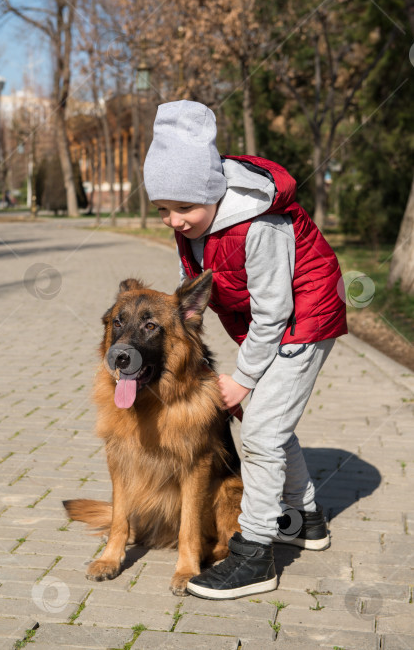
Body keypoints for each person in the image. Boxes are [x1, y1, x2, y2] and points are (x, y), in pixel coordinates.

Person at [143, 100, 347, 600]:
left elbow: (276, 312)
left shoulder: (260, 225)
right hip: (269, 325)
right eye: (162, 209)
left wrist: (244, 378)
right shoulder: (194, 224)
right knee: (269, 421)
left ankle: (255, 555)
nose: (173, 220)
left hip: (306, 318)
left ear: (211, 194)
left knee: (258, 432)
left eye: (183, 208)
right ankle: (306, 521)